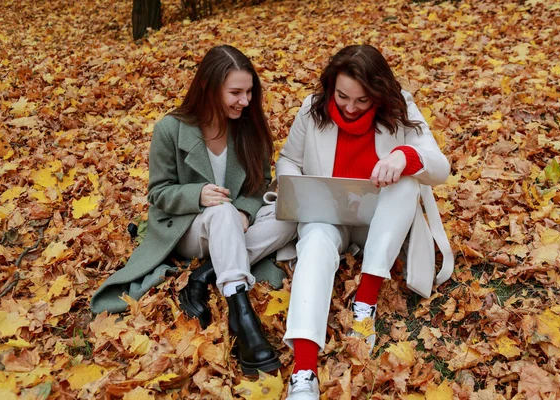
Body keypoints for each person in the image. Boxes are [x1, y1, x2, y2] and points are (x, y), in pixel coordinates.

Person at [90, 45, 297, 376]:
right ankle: (242, 316)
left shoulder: (249, 126)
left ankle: (206, 275)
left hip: (236, 225)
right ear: (208, 87)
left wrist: (244, 210)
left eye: (249, 92)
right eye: (235, 93)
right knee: (220, 214)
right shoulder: (170, 129)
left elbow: (260, 185)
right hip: (188, 228)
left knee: (289, 213)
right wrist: (196, 194)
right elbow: (158, 193)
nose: (245, 101)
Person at [275, 45, 452, 399]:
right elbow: (287, 160)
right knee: (314, 245)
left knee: (406, 180)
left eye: (362, 100)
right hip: (326, 214)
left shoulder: (400, 107)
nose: (351, 108)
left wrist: (404, 155)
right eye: (342, 96)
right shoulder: (312, 110)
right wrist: (296, 187)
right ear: (331, 87)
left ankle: (365, 303)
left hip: (381, 218)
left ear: (379, 93)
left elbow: (439, 166)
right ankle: (304, 371)